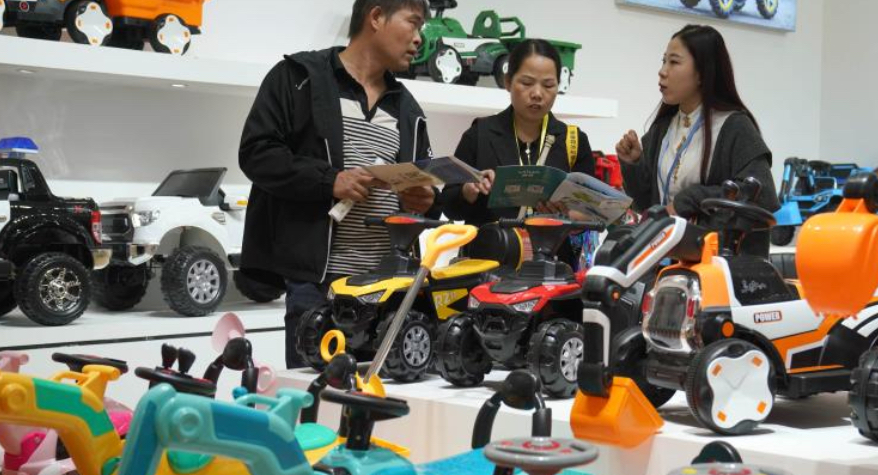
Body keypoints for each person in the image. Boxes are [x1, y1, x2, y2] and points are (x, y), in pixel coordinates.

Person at [239, 0, 440, 368]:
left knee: (377, 408)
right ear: (376, 17)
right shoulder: (297, 77)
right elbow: (257, 153)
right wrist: (329, 180)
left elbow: (423, 179)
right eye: (413, 24)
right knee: (313, 407)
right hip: (316, 287)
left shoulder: (407, 107)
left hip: (387, 288)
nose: (418, 39)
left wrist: (425, 199)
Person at [440, 39, 596, 267]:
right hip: (487, 269)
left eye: (548, 85)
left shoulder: (574, 141)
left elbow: (591, 212)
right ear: (507, 82)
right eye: (527, 82)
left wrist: (568, 215)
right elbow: (448, 204)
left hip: (552, 274)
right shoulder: (480, 134)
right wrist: (468, 190)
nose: (537, 94)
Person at [616, 24, 778, 235]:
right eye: (663, 61)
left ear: (702, 72)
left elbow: (762, 198)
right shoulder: (663, 128)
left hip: (718, 260)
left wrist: (690, 200)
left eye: (674, 62)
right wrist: (634, 164)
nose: (662, 71)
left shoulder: (734, 126)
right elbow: (645, 204)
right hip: (666, 255)